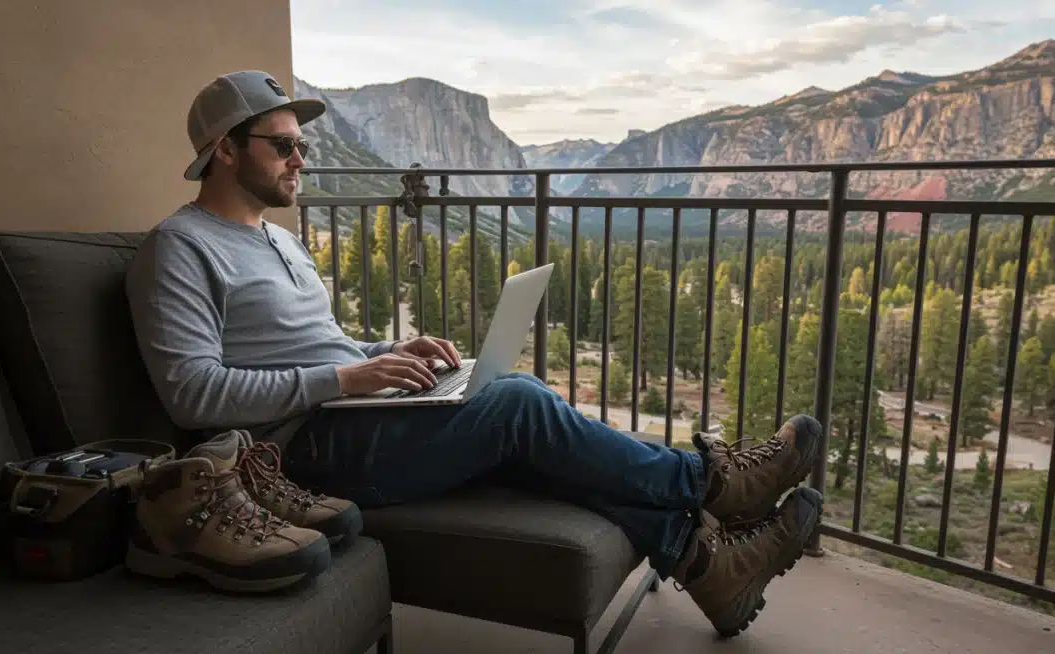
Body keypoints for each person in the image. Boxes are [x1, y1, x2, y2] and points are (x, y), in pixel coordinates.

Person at [125, 70, 825, 637]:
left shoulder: (279, 240)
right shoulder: (177, 249)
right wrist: (348, 375)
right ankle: (711, 483)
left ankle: (710, 567)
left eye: (300, 144)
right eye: (282, 145)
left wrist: (389, 353)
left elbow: (319, 346)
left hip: (348, 412)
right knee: (518, 405)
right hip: (291, 453)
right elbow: (192, 394)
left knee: (526, 411)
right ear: (224, 149)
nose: (301, 158)